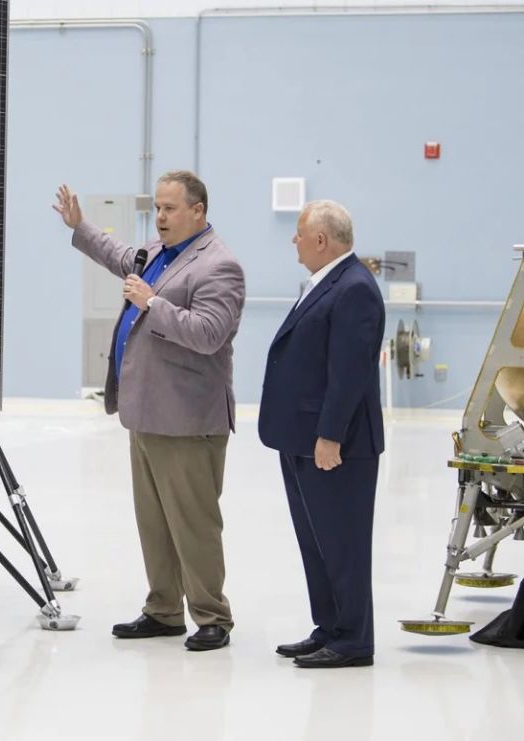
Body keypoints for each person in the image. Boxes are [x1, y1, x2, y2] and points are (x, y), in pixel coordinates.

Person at [53, 171, 244, 651]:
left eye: (170, 209)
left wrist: (152, 302)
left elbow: (208, 334)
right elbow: (119, 257)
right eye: (157, 208)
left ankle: (212, 617)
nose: (159, 217)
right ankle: (163, 609)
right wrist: (81, 225)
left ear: (197, 211)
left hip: (187, 420)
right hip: (146, 414)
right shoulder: (158, 254)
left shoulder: (218, 266)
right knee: (154, 522)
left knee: (194, 523)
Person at [258, 200, 384, 668]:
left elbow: (349, 372)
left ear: (321, 240)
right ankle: (329, 627)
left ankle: (353, 639)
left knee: (343, 544)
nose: (293, 240)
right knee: (317, 542)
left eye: (297, 233)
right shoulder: (327, 283)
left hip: (335, 445)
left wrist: (330, 435)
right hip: (300, 438)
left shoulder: (354, 288)